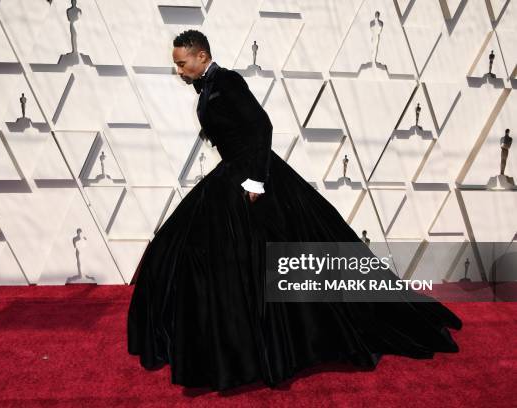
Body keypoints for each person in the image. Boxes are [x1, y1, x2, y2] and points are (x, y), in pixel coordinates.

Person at [127, 30, 462, 391]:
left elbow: (261, 125)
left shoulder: (227, 81)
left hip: (250, 177)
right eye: (176, 64)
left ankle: (260, 348)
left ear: (202, 57)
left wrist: (255, 180)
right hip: (234, 173)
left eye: (181, 63)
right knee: (192, 251)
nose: (178, 70)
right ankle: (226, 344)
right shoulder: (210, 85)